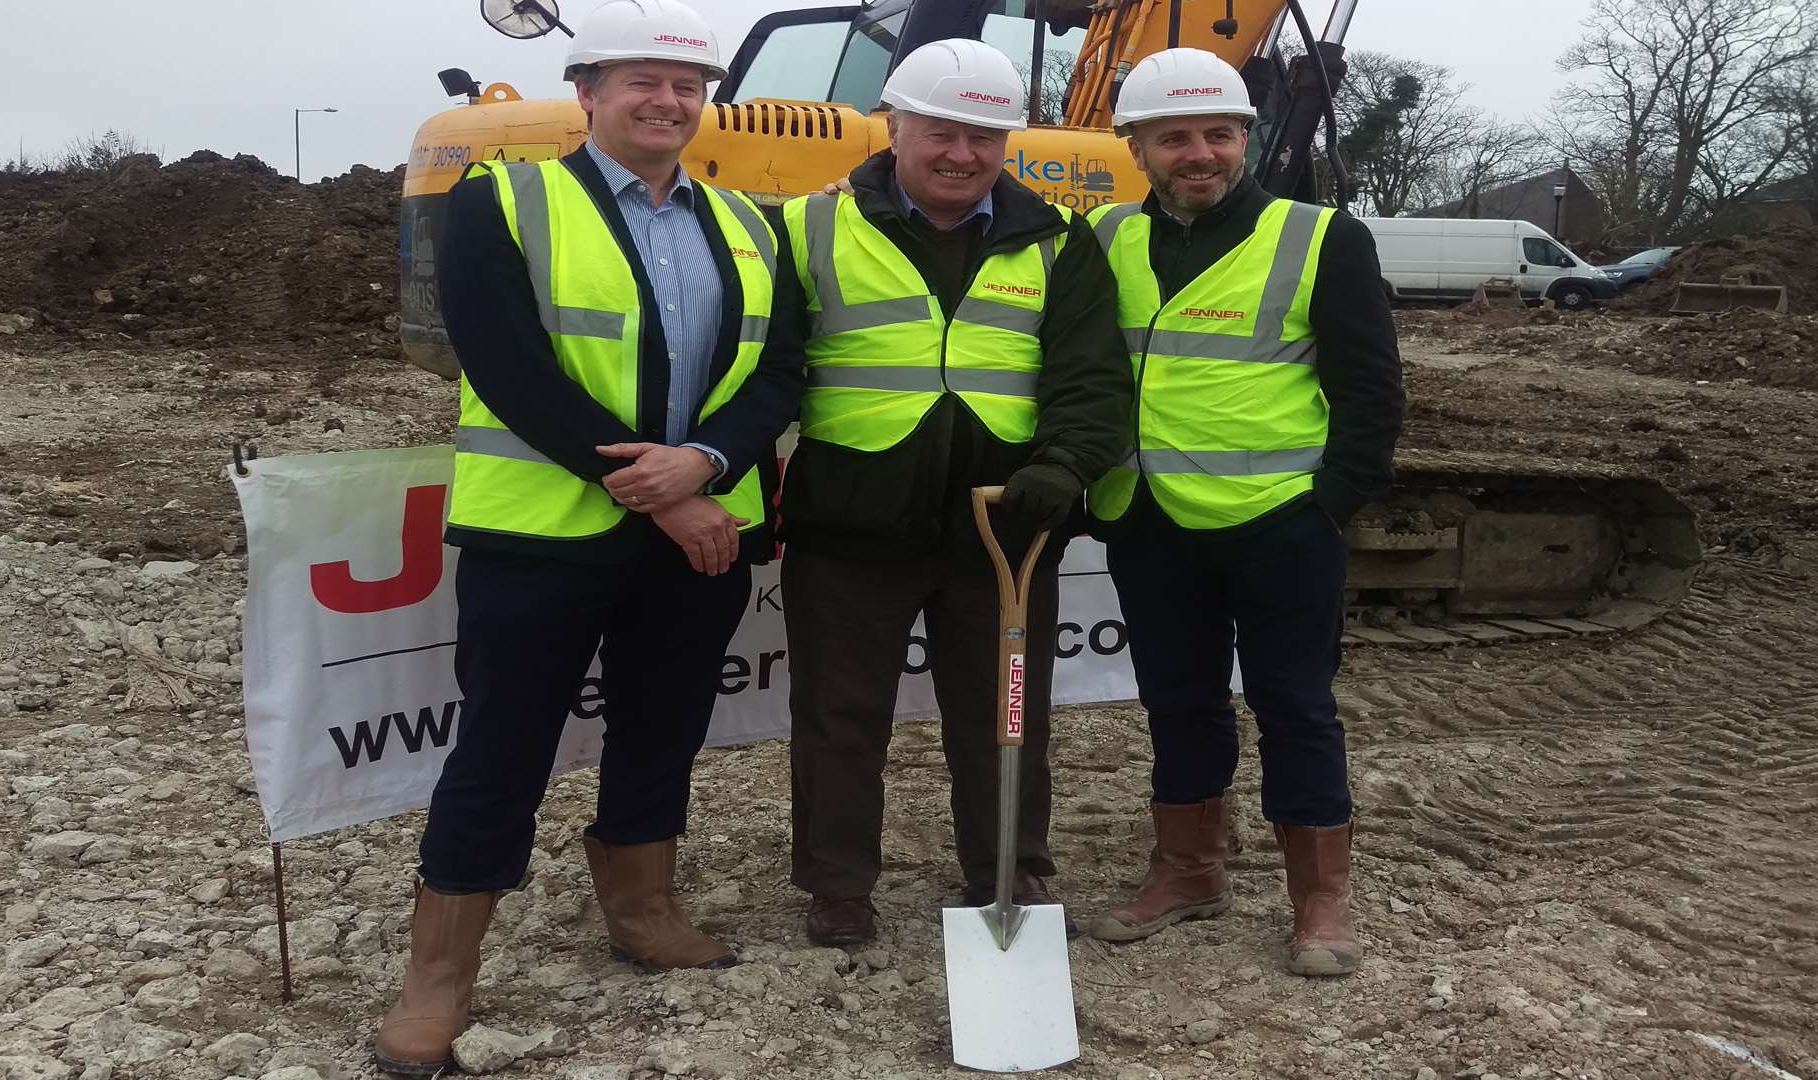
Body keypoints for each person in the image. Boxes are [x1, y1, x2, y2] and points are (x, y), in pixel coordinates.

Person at [372, 0, 805, 1072]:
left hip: (696, 536)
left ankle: (643, 909)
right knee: (502, 749)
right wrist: (662, 491)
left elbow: (783, 371)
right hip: (546, 540)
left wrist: (705, 465)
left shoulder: (751, 224)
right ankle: (438, 979)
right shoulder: (501, 203)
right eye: (642, 83)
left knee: (662, 728)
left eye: (686, 87)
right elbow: (512, 372)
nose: (667, 102)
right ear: (589, 92)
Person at [775, 38, 1132, 947]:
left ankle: (1009, 871)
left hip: (1004, 526)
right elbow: (764, 371)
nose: (963, 155)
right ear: (894, 126)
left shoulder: (1057, 239)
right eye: (942, 131)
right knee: (839, 717)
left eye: (986, 137)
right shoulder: (809, 226)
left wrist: (1065, 464)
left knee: (1006, 714)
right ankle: (839, 882)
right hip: (851, 520)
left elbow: (1091, 376)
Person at [1079, 48, 1404, 977]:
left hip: (1281, 524)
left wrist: (1326, 505)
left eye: (1219, 134)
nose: (1200, 153)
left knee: (1294, 706)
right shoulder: (1105, 241)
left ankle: (1320, 900)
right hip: (1150, 521)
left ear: (1245, 139)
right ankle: (1188, 870)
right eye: (1174, 136)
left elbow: (1372, 395)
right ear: (1135, 146)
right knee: (1177, 702)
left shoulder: (1319, 238)